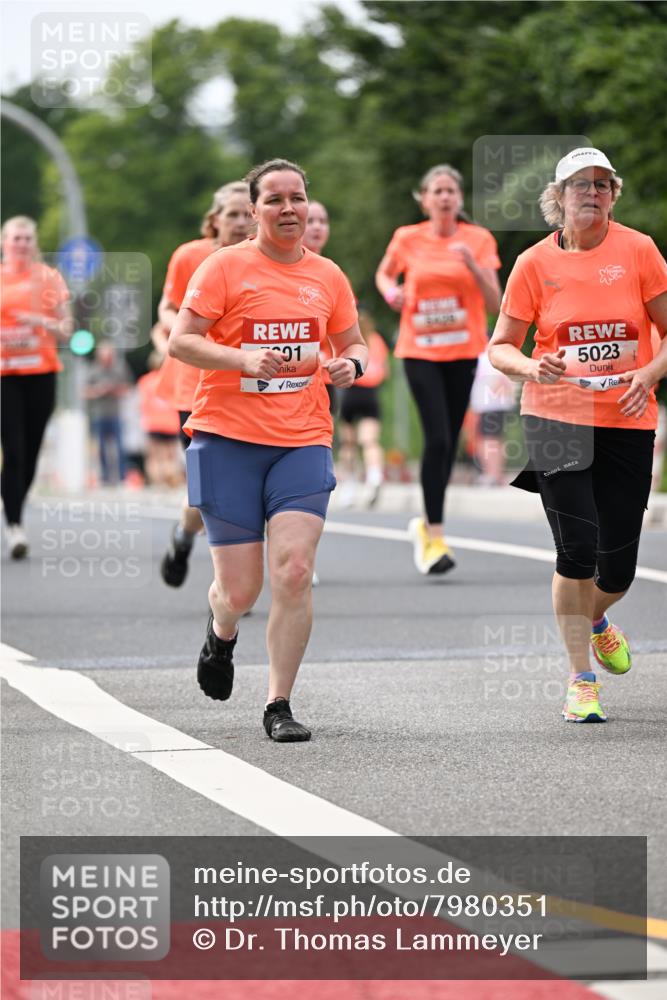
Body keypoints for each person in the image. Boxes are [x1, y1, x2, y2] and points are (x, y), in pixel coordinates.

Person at [169, 158, 366, 742]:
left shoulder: (327, 275)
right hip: (226, 439)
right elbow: (182, 341)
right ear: (253, 211)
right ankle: (221, 632)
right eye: (275, 199)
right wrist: (241, 359)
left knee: (296, 569)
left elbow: (354, 342)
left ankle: (278, 703)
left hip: (302, 438)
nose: (288, 209)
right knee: (239, 590)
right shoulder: (224, 267)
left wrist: (350, 364)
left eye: (297, 198)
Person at [488, 147, 667, 723]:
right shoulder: (533, 264)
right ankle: (580, 678)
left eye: (601, 185)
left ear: (613, 194)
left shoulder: (639, 251)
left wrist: (647, 371)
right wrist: (529, 367)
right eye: (579, 185)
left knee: (617, 568)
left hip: (627, 415)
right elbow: (500, 347)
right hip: (554, 414)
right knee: (577, 551)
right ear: (557, 197)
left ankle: (596, 619)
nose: (591, 193)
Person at [376, 164, 501, 574]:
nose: (445, 197)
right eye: (437, 191)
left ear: (459, 198)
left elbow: (495, 301)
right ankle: (436, 534)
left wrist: (473, 266)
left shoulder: (478, 240)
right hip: (419, 349)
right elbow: (383, 274)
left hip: (463, 349)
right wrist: (392, 291)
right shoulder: (406, 238)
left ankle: (428, 527)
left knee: (448, 442)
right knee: (438, 437)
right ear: (425, 199)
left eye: (451, 190)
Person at [154, 182, 253, 586]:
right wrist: (172, 328)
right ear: (214, 220)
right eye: (232, 214)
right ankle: (186, 539)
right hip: (194, 387)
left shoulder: (266, 260)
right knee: (210, 486)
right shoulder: (190, 256)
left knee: (242, 482)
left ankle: (233, 577)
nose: (241, 221)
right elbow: (169, 306)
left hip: (249, 385)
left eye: (248, 213)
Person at [1, 216, 73, 558]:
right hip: (5, 376)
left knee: (30, 453)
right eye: (16, 238)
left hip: (41, 373)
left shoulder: (48, 278)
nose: (22, 244)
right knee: (13, 450)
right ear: (4, 242)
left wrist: (41, 321)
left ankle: (13, 506)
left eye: (27, 238)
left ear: (35, 242)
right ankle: (14, 526)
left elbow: (68, 329)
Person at [337, 308, 389, 507]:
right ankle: (374, 476)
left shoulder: (350, 340)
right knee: (370, 441)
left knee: (348, 443)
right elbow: (384, 370)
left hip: (352, 391)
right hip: (371, 393)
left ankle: (349, 486)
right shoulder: (377, 341)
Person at [84, 340, 132, 485]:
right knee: (101, 448)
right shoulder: (93, 370)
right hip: (99, 414)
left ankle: (122, 477)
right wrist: (99, 390)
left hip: (116, 414)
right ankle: (104, 477)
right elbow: (85, 392)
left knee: (120, 447)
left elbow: (128, 388)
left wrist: (115, 390)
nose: (107, 359)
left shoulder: (120, 368)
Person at [137, 347, 183, 487]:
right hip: (171, 423)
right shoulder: (173, 380)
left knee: (154, 456)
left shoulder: (145, 381)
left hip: (153, 423)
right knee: (170, 454)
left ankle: (158, 481)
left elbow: (142, 403)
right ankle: (171, 479)